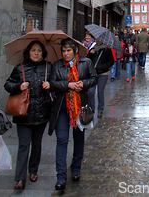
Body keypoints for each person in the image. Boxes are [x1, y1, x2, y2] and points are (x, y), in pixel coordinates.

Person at [48, 38, 97, 191]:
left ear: (75, 50)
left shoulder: (85, 63)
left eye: (68, 50)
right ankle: (61, 177)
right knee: (62, 140)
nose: (65, 53)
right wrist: (68, 85)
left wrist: (84, 84)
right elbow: (52, 84)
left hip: (79, 106)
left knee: (78, 138)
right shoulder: (57, 65)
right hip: (62, 107)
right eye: (63, 51)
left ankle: (76, 169)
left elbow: (94, 78)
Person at [4, 40, 52, 190]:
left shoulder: (48, 67)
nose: (36, 53)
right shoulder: (20, 68)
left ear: (43, 53)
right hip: (23, 114)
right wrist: (19, 86)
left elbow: (57, 83)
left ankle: (33, 170)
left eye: (39, 51)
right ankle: (20, 178)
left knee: (36, 145)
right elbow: (7, 84)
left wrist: (49, 85)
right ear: (28, 52)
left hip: (42, 113)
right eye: (33, 50)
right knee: (24, 145)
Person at [87, 40, 114, 118]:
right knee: (91, 92)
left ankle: (100, 110)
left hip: (103, 73)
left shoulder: (107, 50)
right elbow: (87, 60)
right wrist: (90, 54)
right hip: (93, 73)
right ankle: (92, 108)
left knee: (100, 92)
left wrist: (102, 67)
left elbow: (111, 61)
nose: (98, 41)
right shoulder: (93, 48)